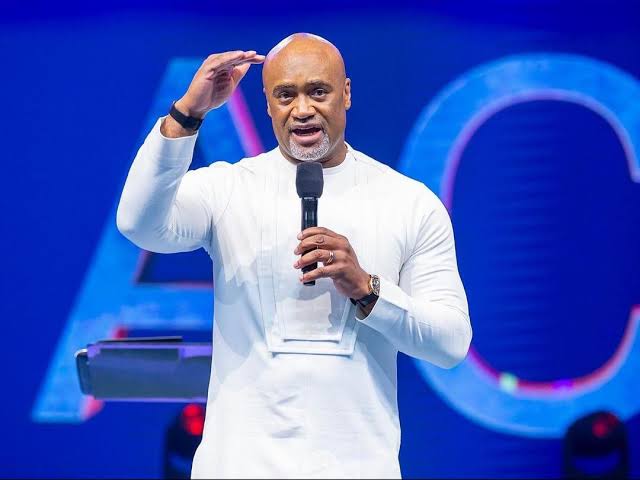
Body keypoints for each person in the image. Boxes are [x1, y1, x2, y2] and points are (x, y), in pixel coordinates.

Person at [117, 33, 472, 479]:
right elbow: (138, 222)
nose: (302, 109)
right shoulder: (228, 189)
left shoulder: (409, 203)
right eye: (286, 95)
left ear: (346, 93)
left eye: (318, 91)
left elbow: (450, 343)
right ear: (267, 104)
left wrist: (367, 289)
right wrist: (187, 114)